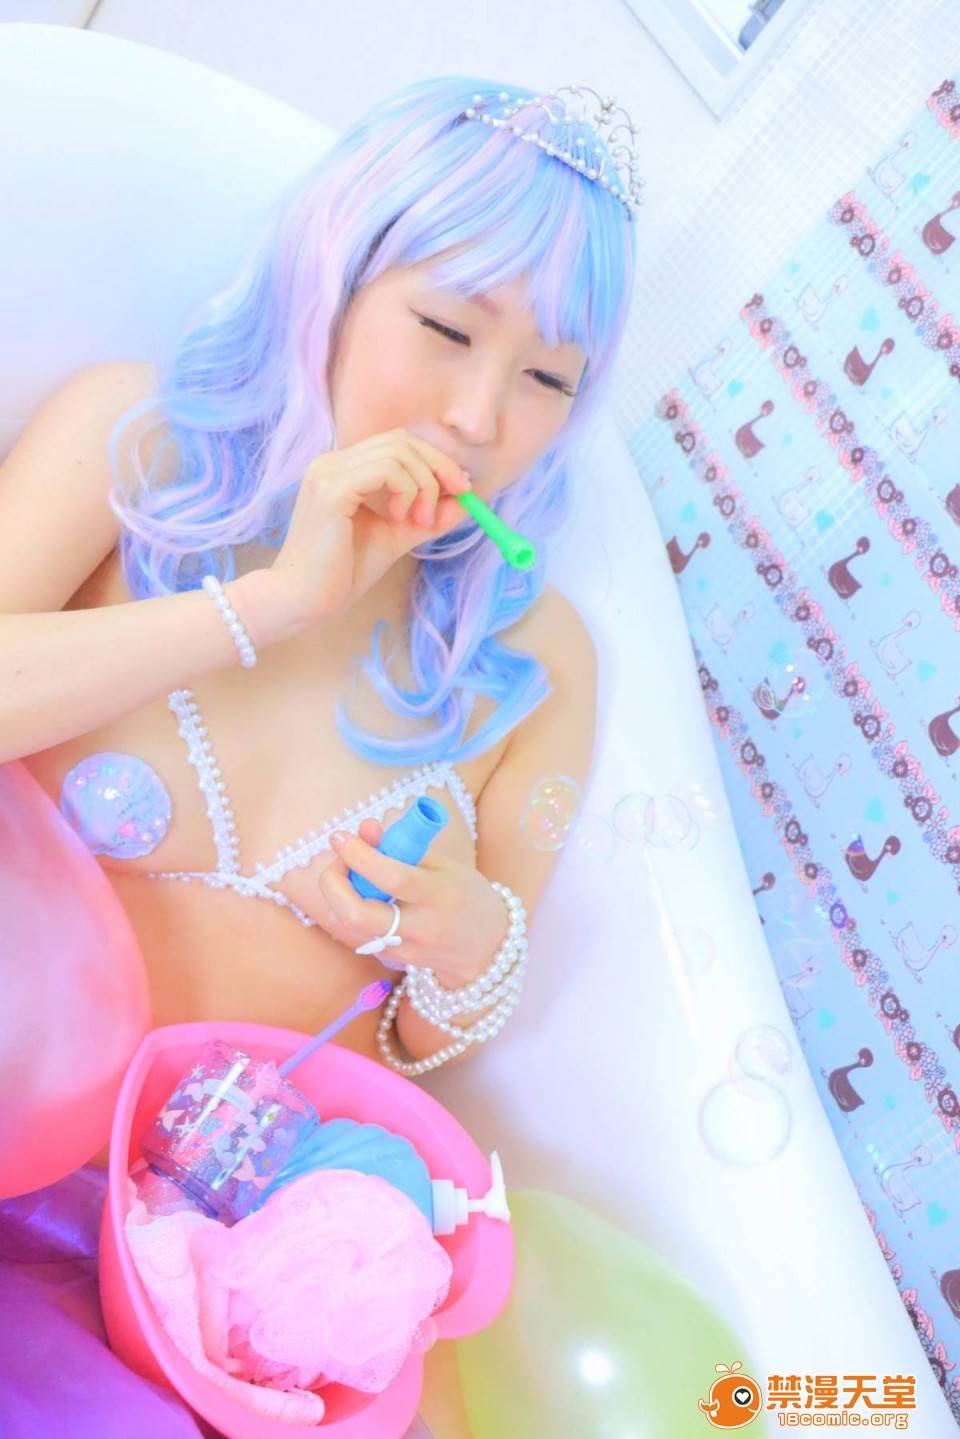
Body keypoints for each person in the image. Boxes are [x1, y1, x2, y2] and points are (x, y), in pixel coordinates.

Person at [0, 74, 639, 1437]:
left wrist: (467, 941)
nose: (480, 416)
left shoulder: (536, 660)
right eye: (447, 328)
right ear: (331, 281)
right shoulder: (136, 448)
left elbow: (423, 1046)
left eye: (547, 379)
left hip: (222, 1270)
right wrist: (271, 601)